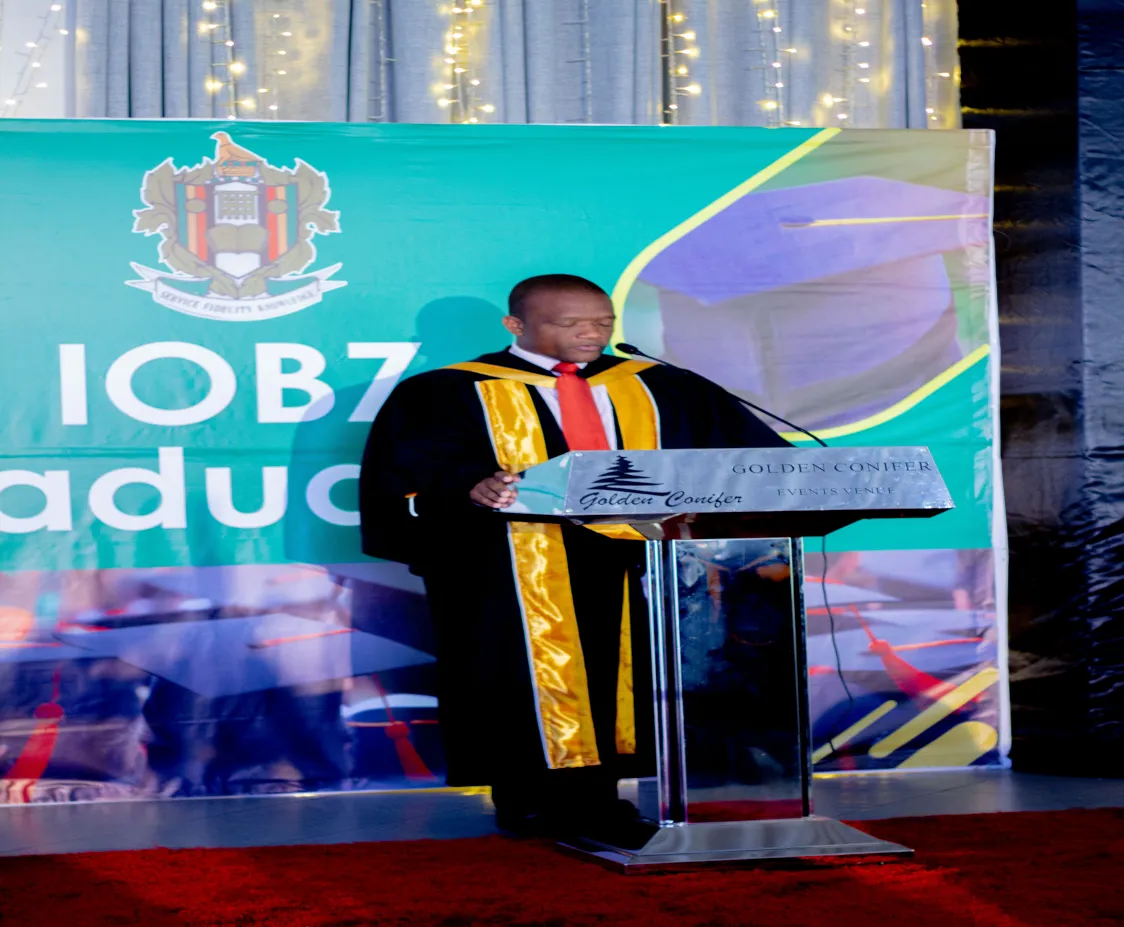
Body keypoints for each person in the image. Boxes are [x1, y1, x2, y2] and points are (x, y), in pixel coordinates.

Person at [359, 273, 789, 836]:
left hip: (639, 562)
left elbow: (753, 459)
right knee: (517, 680)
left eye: (603, 323)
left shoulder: (663, 385)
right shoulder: (444, 391)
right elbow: (410, 474)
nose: (592, 334)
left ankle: (601, 800)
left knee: (624, 679)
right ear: (516, 325)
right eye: (571, 323)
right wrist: (467, 486)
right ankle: (525, 798)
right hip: (511, 567)